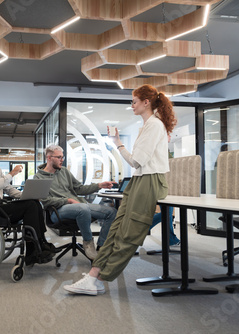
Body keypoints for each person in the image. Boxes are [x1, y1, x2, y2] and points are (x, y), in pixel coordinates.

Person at [64, 84, 176, 295]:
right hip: (139, 181)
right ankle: (93, 276)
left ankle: (98, 277)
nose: (131, 105)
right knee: (116, 229)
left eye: (134, 101)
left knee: (128, 234)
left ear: (146, 102)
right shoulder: (147, 126)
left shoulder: (154, 126)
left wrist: (118, 144)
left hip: (148, 181)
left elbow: (136, 161)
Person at [0, 133, 54, 266]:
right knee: (30, 206)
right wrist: (12, 173)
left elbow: (7, 188)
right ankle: (33, 250)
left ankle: (40, 243)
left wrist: (26, 195)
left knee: (34, 203)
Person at [34, 145, 117, 260]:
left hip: (79, 206)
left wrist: (99, 185)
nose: (62, 160)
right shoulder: (38, 177)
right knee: (82, 208)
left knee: (111, 212)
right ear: (49, 158)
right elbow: (45, 201)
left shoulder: (64, 172)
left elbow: (80, 188)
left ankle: (102, 247)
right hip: (57, 211)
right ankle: (88, 243)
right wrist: (67, 200)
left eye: (62, 157)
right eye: (59, 157)